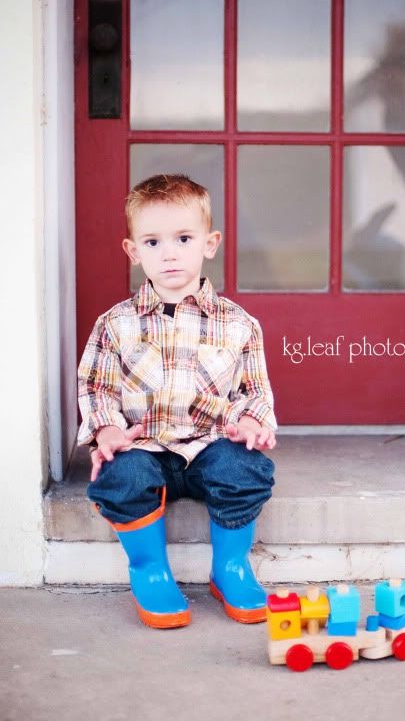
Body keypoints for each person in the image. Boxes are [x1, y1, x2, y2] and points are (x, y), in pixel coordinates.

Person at [77, 174, 277, 629]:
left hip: (210, 444)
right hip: (144, 447)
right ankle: (151, 570)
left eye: (183, 238)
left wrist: (250, 423)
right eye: (152, 241)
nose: (168, 253)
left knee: (245, 467)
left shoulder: (238, 325)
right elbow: (97, 387)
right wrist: (106, 430)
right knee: (119, 474)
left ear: (210, 243)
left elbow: (255, 391)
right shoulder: (115, 325)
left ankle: (230, 569)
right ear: (133, 251)